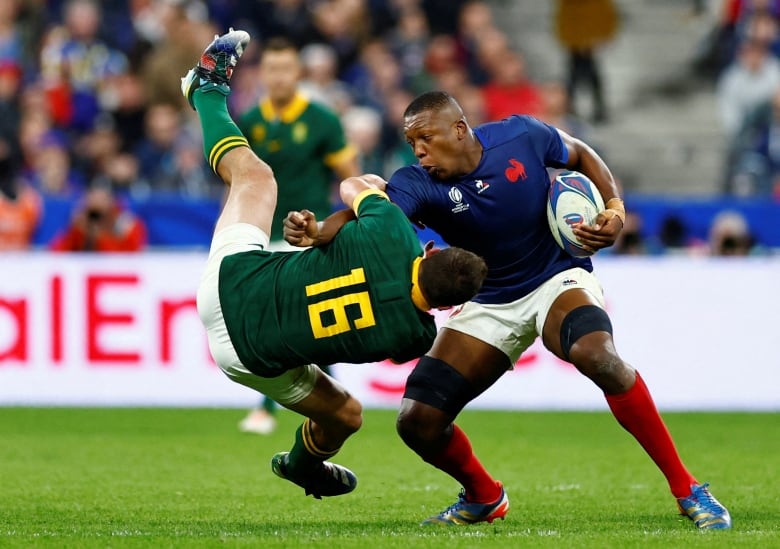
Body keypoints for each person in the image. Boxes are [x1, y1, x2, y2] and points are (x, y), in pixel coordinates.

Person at [287, 90, 732, 529]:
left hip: (556, 277)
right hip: (488, 298)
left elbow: (580, 154)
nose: (419, 151)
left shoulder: (521, 135)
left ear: (459, 130)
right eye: (411, 143)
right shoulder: (417, 183)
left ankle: (688, 489)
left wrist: (614, 207)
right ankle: (484, 497)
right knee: (417, 421)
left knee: (597, 356)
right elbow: (373, 217)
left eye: (426, 138)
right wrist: (320, 229)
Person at [181, 29, 488, 500]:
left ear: (430, 251)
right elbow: (400, 326)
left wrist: (366, 200)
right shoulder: (414, 337)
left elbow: (352, 185)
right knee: (346, 414)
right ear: (451, 309)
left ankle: (206, 93)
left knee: (256, 179)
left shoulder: (393, 233)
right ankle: (302, 467)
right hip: (244, 359)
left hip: (231, 283)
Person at [235, 36, 362, 435]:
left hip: (309, 237)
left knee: (287, 327)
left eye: (285, 69)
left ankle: (266, 410)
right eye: (271, 69)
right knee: (300, 329)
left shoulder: (322, 120)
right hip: (261, 233)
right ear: (262, 74)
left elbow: (350, 173)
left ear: (298, 74)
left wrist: (358, 214)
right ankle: (335, 398)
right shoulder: (251, 121)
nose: (278, 78)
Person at [48, 185, 147, 252]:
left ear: (112, 202)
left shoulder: (126, 224)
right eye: (92, 199)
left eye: (102, 199)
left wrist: (100, 237)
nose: (97, 204)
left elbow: (130, 256)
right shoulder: (82, 224)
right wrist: (77, 228)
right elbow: (57, 250)